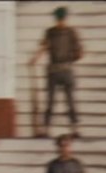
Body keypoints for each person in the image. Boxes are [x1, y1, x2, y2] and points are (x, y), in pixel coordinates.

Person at [29, 6, 83, 138]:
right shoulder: (50, 32)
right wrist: (35, 59)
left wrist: (71, 58)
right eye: (58, 18)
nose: (59, 21)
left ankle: (74, 128)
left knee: (70, 101)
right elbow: (44, 47)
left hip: (65, 70)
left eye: (61, 18)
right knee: (50, 101)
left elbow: (79, 52)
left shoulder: (71, 32)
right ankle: (46, 129)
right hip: (53, 71)